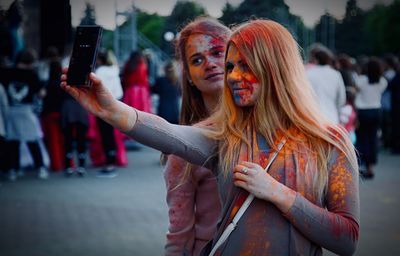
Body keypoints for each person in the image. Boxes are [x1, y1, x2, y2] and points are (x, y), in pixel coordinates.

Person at [61, 19, 359, 255]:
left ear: (275, 67)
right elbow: (171, 135)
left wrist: (278, 193)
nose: (230, 75)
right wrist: (111, 109)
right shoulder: (227, 137)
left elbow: (347, 240)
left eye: (244, 65)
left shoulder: (328, 142)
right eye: (231, 66)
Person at [158, 17, 231, 255]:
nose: (209, 64)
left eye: (218, 53)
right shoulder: (183, 147)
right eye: (197, 60)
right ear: (188, 75)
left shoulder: (268, 129)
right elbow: (179, 236)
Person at [0, 49, 49, 181]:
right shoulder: (32, 74)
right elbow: (41, 93)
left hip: (11, 110)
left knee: (13, 142)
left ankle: (14, 170)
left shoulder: (7, 72)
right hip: (26, 110)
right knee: (32, 140)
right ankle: (41, 168)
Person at [93, 49, 124, 178]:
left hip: (103, 106)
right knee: (111, 135)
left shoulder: (99, 72)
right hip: (116, 104)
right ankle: (112, 161)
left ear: (100, 60)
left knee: (105, 136)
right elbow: (119, 91)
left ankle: (109, 165)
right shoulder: (115, 70)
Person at [354, 57, 387, 179]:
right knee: (373, 139)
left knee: (361, 139)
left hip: (362, 112)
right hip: (376, 111)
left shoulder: (361, 80)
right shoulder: (383, 81)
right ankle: (370, 168)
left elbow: (356, 90)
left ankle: (360, 165)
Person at [306, 45, 346, 124]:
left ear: (315, 59)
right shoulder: (336, 74)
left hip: (312, 117)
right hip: (332, 117)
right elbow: (341, 98)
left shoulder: (307, 73)